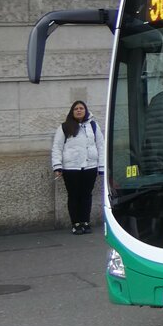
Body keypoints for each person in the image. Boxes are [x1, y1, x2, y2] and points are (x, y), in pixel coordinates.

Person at [51, 100, 104, 235]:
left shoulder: (93, 126)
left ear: (85, 111)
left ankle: (85, 222)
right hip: (71, 168)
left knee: (86, 196)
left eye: (81, 108)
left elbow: (101, 146)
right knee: (74, 196)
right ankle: (76, 223)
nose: (79, 110)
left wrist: (102, 166)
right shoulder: (64, 127)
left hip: (90, 167)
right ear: (72, 112)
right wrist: (57, 166)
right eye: (76, 109)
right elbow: (57, 147)